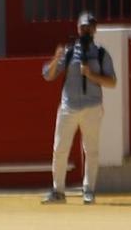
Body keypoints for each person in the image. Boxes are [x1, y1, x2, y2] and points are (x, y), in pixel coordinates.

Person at [40, 11, 116, 205]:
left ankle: (88, 190)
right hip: (69, 107)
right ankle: (58, 191)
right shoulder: (69, 51)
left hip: (92, 107)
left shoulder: (101, 53)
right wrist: (57, 58)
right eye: (83, 27)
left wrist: (91, 76)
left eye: (89, 28)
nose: (86, 31)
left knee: (91, 150)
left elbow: (112, 82)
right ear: (78, 29)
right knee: (60, 149)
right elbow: (48, 75)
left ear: (95, 30)